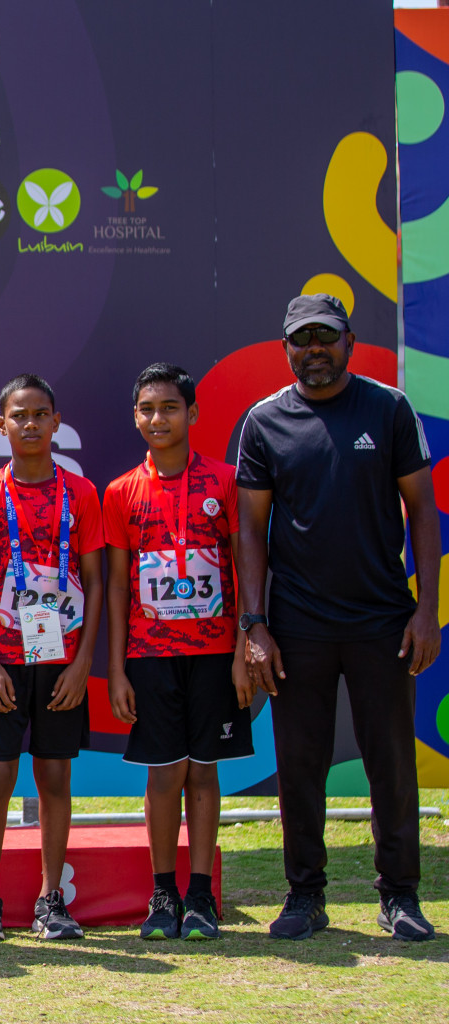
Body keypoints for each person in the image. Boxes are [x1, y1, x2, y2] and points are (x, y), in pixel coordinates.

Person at [237, 293, 441, 942]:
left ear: (349, 341)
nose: (314, 349)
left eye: (326, 336)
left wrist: (428, 611)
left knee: (391, 763)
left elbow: (424, 516)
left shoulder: (388, 409)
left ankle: (400, 896)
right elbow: (250, 529)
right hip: (297, 627)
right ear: (286, 349)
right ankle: (305, 896)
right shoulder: (264, 422)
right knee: (299, 766)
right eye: (302, 339)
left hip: (384, 620)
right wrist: (254, 624)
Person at [104, 364, 251, 941]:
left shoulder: (225, 481)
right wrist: (116, 668)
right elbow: (117, 586)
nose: (157, 418)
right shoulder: (121, 491)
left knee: (203, 773)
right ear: (135, 416)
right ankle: (162, 893)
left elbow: (243, 569)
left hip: (215, 653)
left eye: (169, 407)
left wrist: (243, 649)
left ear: (191, 414)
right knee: (164, 775)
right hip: (149, 656)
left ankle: (201, 895)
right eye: (147, 409)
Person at [0, 373, 103, 941]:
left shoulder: (81, 493)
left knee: (55, 776)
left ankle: (50, 902)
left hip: (62, 659)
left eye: (40, 414)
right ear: (2, 425)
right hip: (5, 661)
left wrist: (81, 663)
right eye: (19, 415)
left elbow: (95, 581)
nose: (31, 424)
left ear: (56, 421)